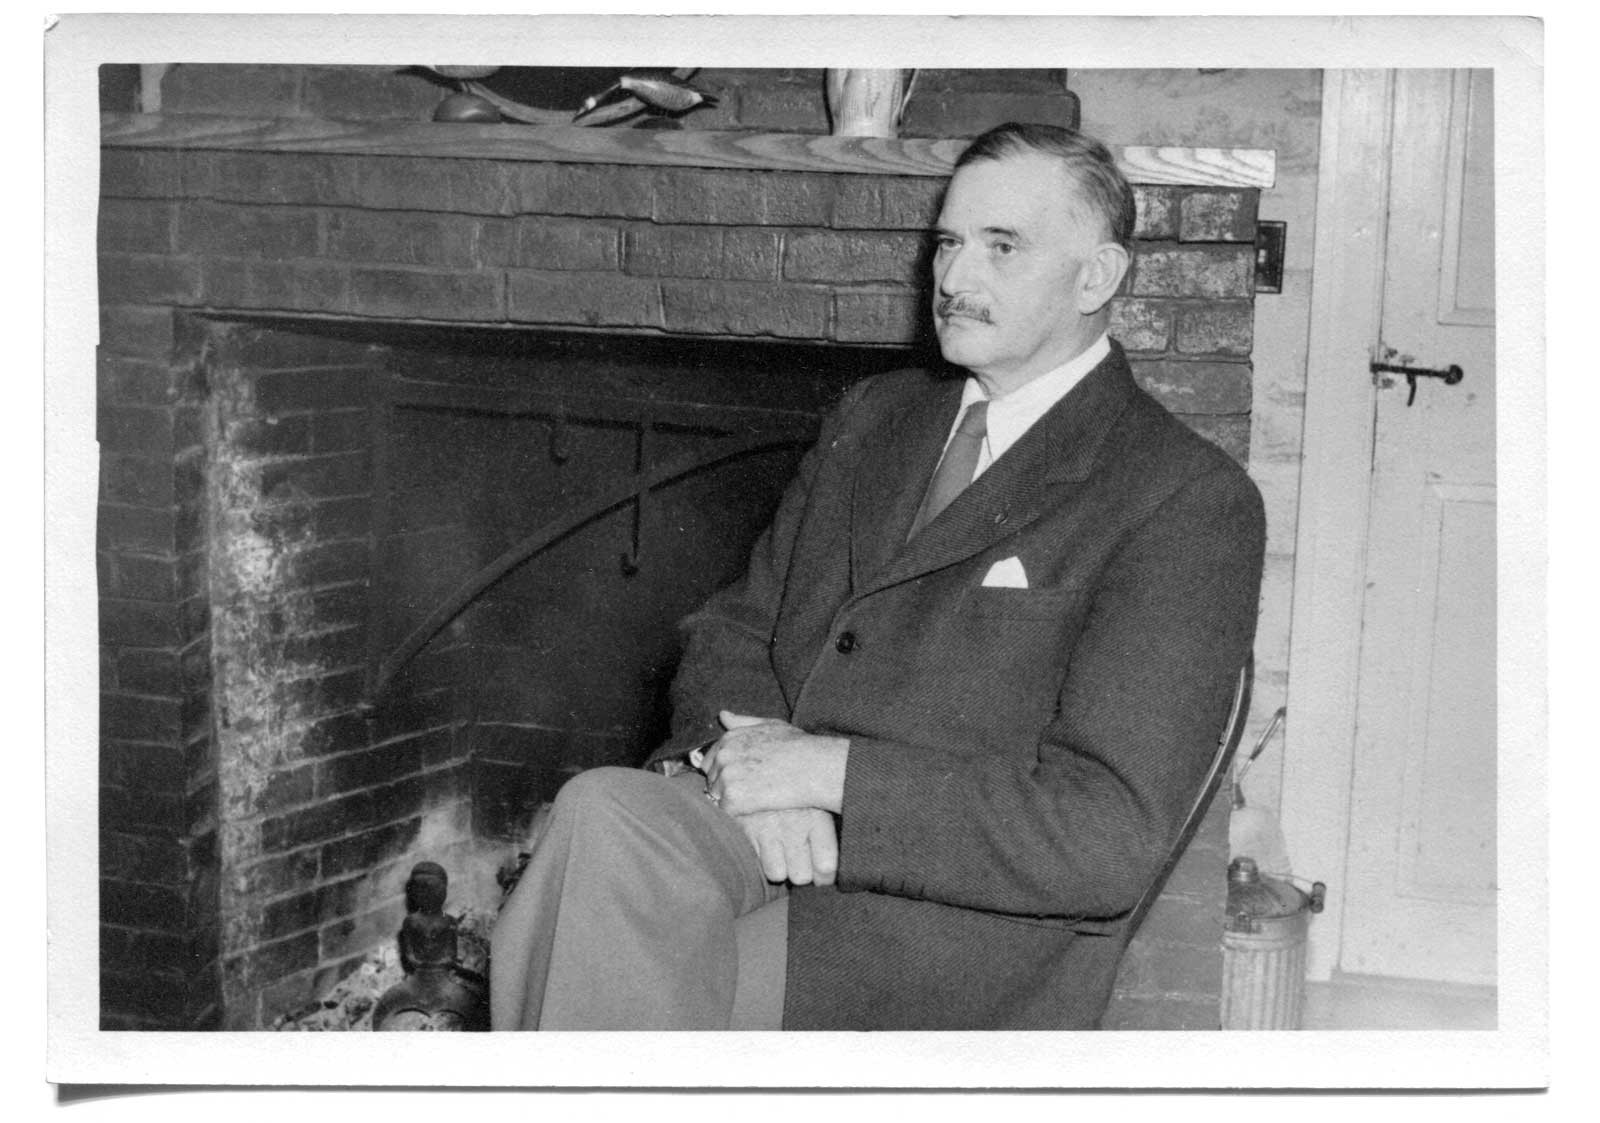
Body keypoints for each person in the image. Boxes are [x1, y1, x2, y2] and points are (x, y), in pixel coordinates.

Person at [489, 122, 1266, 1031]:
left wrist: (828, 776)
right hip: (772, 836)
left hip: (938, 925)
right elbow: (737, 630)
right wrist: (751, 765)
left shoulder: (1182, 496)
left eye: (1001, 247)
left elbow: (1104, 836)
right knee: (599, 813)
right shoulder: (874, 417)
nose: (954, 277)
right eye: (947, 243)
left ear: (1097, 277)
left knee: (608, 970)